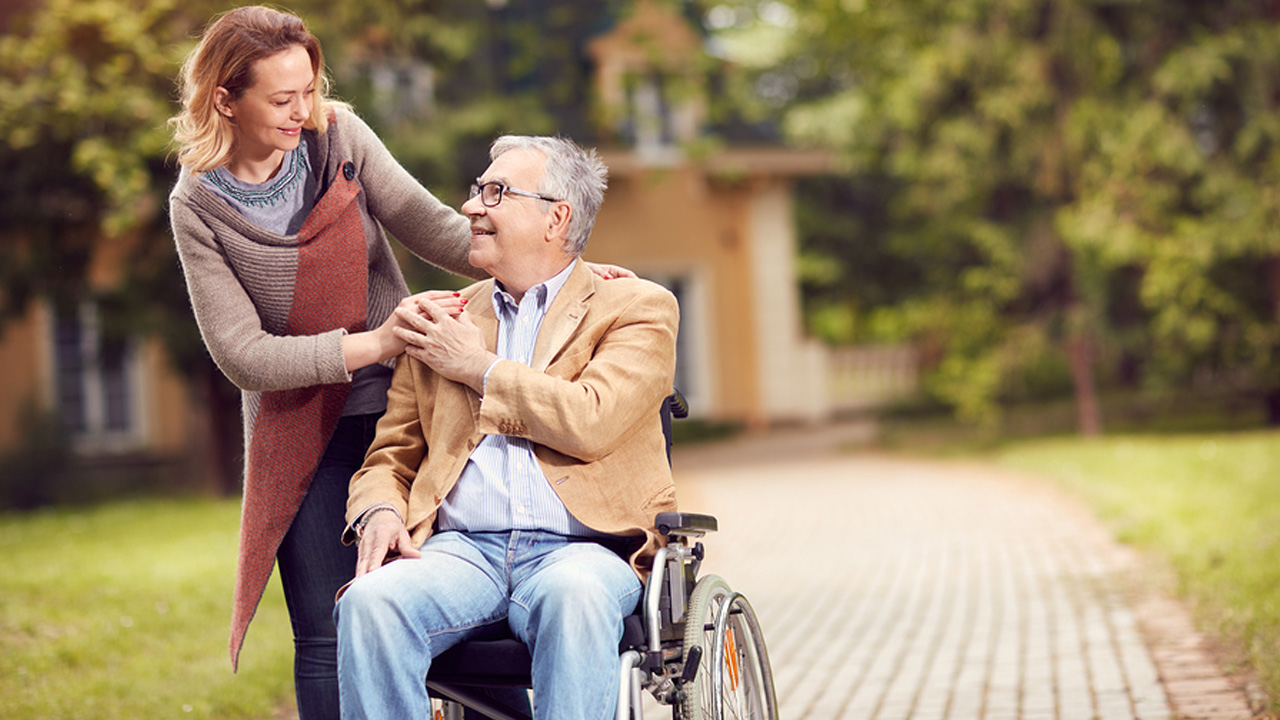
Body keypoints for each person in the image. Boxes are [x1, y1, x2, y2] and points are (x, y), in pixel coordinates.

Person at [167, 7, 629, 719]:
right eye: (282, 99)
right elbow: (244, 356)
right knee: (328, 628)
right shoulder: (198, 205)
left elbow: (434, 227)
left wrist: (569, 273)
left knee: (462, 595)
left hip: (408, 399)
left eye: (309, 90)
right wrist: (380, 342)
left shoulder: (338, 137)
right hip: (303, 428)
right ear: (226, 100)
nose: (303, 112)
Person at [334, 134, 680, 719]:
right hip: (460, 551)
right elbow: (390, 456)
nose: (471, 206)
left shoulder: (637, 308)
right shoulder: (441, 317)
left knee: (573, 596)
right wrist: (380, 511)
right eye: (478, 190)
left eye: (495, 192)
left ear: (556, 218)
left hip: (582, 550)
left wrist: (477, 366)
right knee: (370, 602)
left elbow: (591, 419)